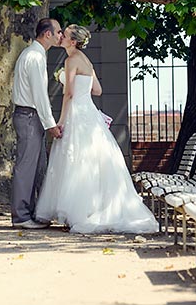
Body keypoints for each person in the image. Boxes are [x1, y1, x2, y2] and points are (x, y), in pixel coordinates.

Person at [35, 25, 159, 234]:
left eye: (64, 35)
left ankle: (80, 212)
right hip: (89, 113)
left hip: (76, 113)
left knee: (75, 159)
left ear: (72, 41)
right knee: (93, 158)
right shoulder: (86, 60)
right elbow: (97, 90)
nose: (61, 37)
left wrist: (61, 120)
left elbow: (69, 95)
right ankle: (93, 208)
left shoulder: (71, 60)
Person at [10, 18, 64, 229]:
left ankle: (32, 213)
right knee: (26, 166)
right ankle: (21, 217)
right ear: (47, 34)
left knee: (37, 166)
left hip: (31, 117)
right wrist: (50, 124)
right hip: (29, 116)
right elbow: (40, 95)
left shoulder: (36, 55)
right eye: (58, 32)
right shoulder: (34, 57)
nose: (61, 36)